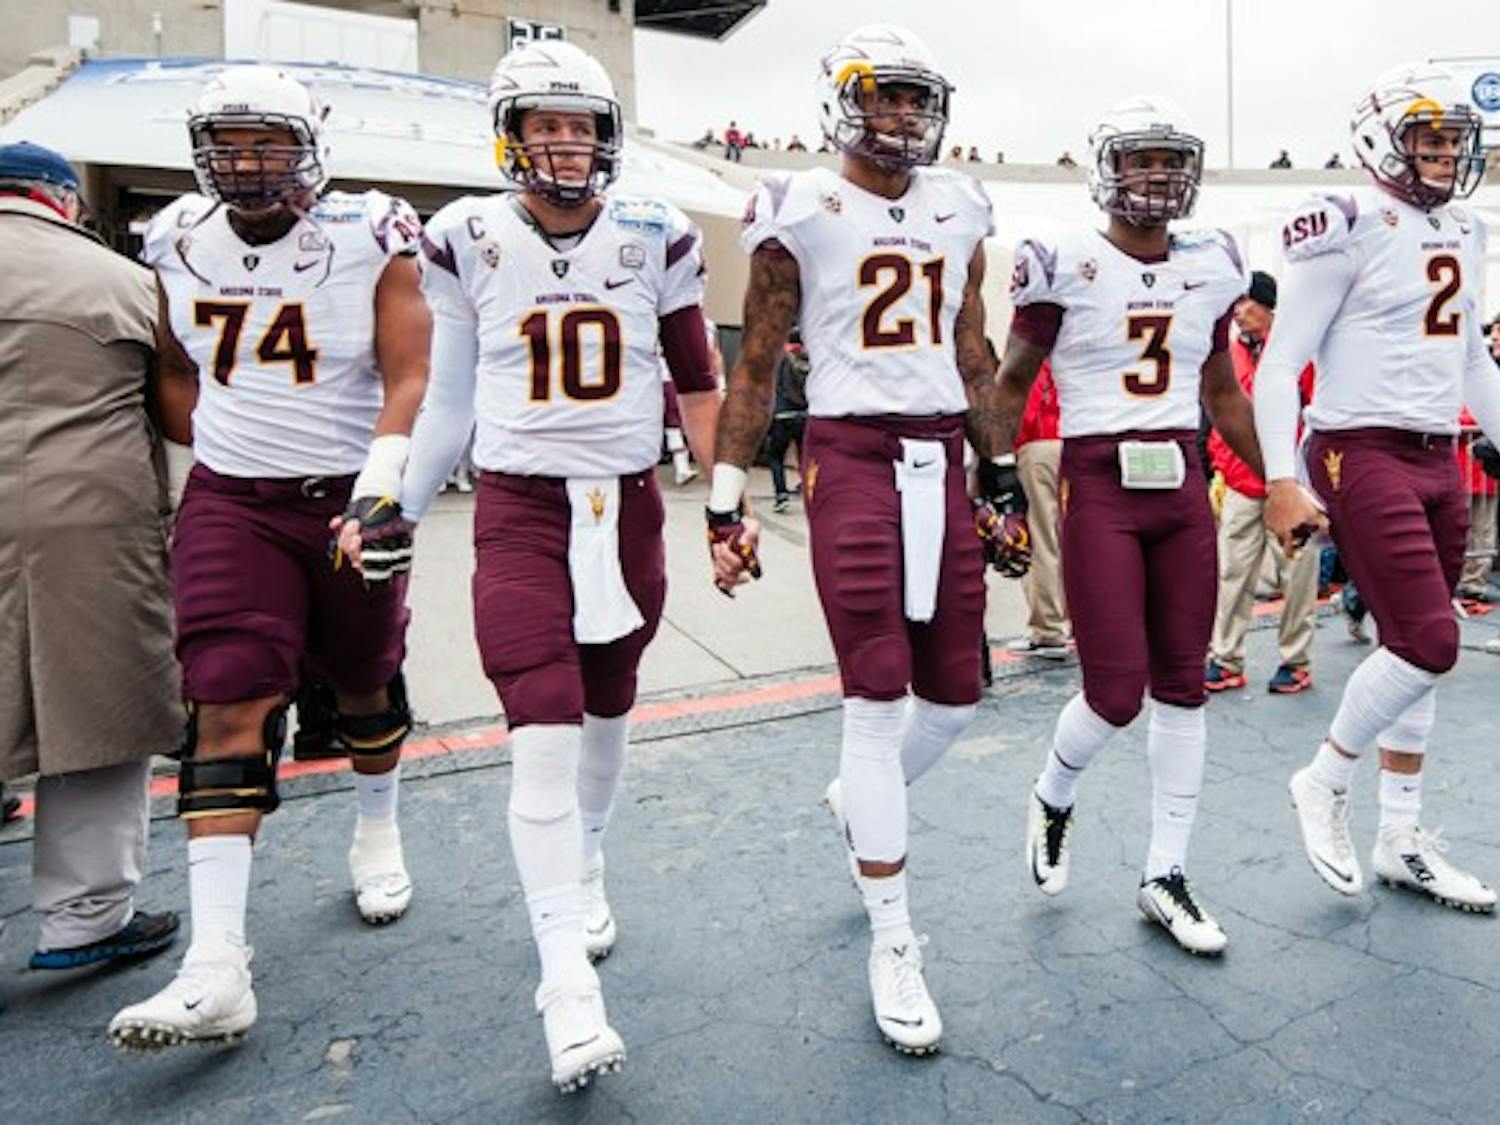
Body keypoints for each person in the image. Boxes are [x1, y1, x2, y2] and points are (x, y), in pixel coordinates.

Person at [351, 41, 721, 1092]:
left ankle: (589, 859)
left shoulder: (658, 232)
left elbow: (697, 374)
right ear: (509, 134)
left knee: (607, 708)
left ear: (606, 134)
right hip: (518, 507)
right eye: (542, 123)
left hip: (627, 507)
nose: (562, 142)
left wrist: (725, 491)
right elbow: (452, 393)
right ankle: (566, 984)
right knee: (542, 723)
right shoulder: (466, 234)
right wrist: (398, 501)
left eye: (579, 123)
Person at [708, 24, 1021, 1055]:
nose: (900, 116)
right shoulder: (799, 205)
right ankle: (893, 934)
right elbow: (755, 363)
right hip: (850, 453)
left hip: (941, 454)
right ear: (842, 101)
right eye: (881, 97)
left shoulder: (960, 204)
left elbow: (971, 352)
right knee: (877, 693)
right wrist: (724, 492)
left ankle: (858, 801)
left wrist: (1003, 472)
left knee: (957, 696)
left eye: (912, 99)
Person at [108, 65, 432, 1049]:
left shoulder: (367, 235)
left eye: (267, 143)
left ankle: (376, 823)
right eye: (230, 144)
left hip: (347, 493)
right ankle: (215, 968)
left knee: (365, 680)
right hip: (234, 503)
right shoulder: (175, 238)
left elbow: (413, 372)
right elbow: (172, 370)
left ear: (311, 146)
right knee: (228, 694)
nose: (247, 165)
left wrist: (380, 490)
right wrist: (229, 453)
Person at [998, 96, 1262, 955]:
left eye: (1168, 161)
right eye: (1140, 159)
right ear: (1105, 170)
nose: (1157, 175)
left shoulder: (1214, 262)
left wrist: (1283, 480)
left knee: (1183, 684)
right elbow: (1011, 380)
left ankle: (1165, 872)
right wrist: (993, 478)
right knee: (1114, 691)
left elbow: (1222, 393)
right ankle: (1053, 791)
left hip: (1181, 483)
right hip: (1099, 482)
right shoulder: (1061, 261)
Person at [1256, 63, 1499, 912]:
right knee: (1431, 641)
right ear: (1382, 140)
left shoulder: (1466, 228)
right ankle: (1324, 778)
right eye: (1427, 137)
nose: (1443, 152)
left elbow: (1472, 358)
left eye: (1452, 139)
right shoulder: (1347, 223)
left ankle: (1400, 836)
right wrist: (1282, 477)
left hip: (1437, 452)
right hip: (1358, 447)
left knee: (1415, 651)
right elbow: (1282, 361)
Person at [0, 141, 181, 973]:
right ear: (63, 203)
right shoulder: (127, 281)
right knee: (99, 713)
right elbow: (178, 414)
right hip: (89, 522)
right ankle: (85, 916)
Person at [1204, 270, 1320, 694]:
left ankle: (1296, 659)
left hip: (1290, 483)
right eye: (1235, 304)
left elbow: (1315, 412)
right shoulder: (1228, 353)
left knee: (1298, 574)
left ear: (1268, 307)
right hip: (1239, 481)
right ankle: (1225, 657)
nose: (1238, 312)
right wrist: (1217, 462)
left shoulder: (1296, 354)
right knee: (1231, 574)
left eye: (1246, 303)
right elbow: (1213, 412)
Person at [1007, 359, 1070, 660]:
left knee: (1041, 537)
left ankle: (1048, 630)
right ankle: (1067, 624)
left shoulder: (1035, 350)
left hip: (1039, 443)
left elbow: (1024, 405)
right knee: (1066, 537)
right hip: (1069, 441)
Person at [766, 333, 809, 511]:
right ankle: (809, 491)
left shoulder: (780, 357)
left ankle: (781, 495)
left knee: (775, 456)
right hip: (805, 414)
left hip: (782, 414)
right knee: (805, 457)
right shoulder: (808, 357)